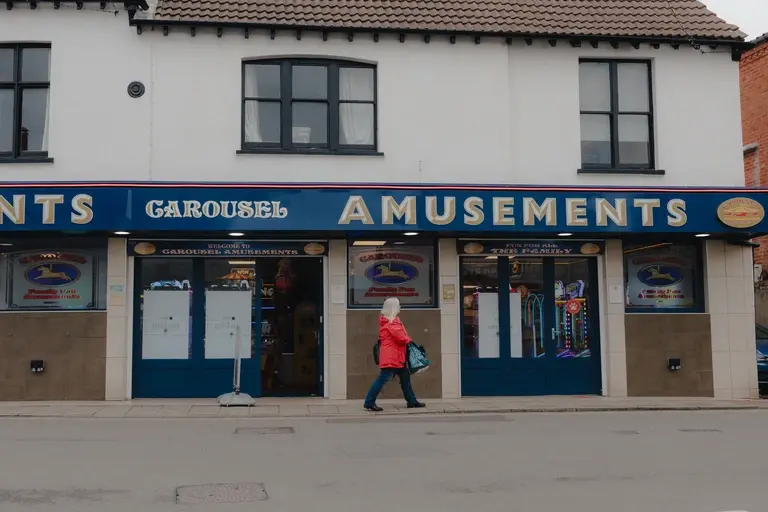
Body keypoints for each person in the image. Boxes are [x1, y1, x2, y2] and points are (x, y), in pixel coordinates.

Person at [364, 297, 425, 412]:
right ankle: (369, 402)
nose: (400, 307)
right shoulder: (392, 322)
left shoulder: (390, 321)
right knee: (383, 379)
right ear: (393, 308)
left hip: (396, 356)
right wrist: (409, 340)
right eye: (398, 305)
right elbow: (402, 338)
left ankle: (411, 401)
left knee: (405, 377)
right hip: (392, 357)